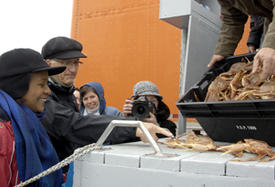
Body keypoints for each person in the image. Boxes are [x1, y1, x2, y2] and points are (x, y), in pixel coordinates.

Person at [41, 36, 173, 169]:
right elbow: (71, 125)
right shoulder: (41, 96)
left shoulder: (66, 93)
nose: (73, 69)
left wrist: (138, 127)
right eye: (66, 63)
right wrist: (133, 127)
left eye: (76, 63)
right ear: (48, 64)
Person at [0, 48, 66, 186]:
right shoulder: (4, 133)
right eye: (41, 84)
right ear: (18, 86)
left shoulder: (27, 121)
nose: (48, 91)